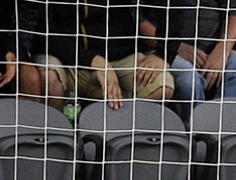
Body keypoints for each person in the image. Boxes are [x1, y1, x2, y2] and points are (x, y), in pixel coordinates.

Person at [38, 1, 176, 113]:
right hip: (66, 60)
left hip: (119, 58)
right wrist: (93, 60)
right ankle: (58, 138)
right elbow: (43, 33)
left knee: (161, 84)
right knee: (48, 79)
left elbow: (178, 6)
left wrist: (164, 53)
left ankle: (120, 135)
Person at [143, 0, 236, 117]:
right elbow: (137, 20)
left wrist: (222, 49)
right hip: (162, 48)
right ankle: (194, 131)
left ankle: (218, 127)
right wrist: (174, 47)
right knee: (189, 79)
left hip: (212, 48)